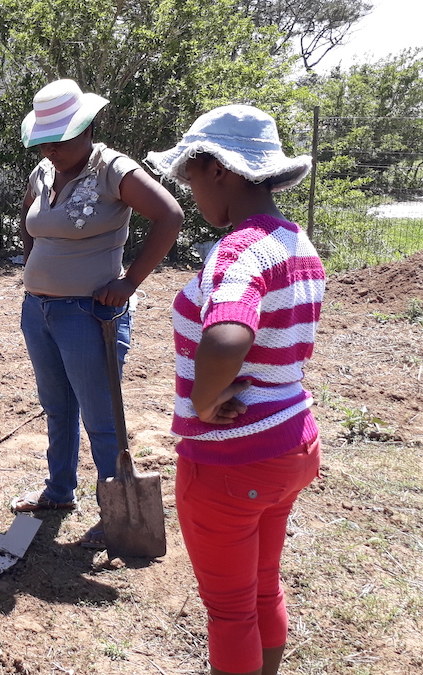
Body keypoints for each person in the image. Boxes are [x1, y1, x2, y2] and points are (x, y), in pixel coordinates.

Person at [146, 105, 325, 675]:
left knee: (229, 613)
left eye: (192, 176)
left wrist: (200, 401)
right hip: (291, 443)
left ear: (219, 171)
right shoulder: (296, 243)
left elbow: (227, 335)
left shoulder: (239, 249)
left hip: (232, 459)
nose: (192, 191)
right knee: (262, 589)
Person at [10, 79, 183, 549]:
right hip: (39, 311)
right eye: (44, 141)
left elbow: (170, 217)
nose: (50, 149)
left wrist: (128, 283)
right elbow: (29, 221)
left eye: (59, 139)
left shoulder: (114, 171)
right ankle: (59, 491)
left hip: (89, 316)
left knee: (101, 415)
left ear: (86, 127)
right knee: (57, 406)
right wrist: (34, 265)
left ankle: (116, 511)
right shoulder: (43, 173)